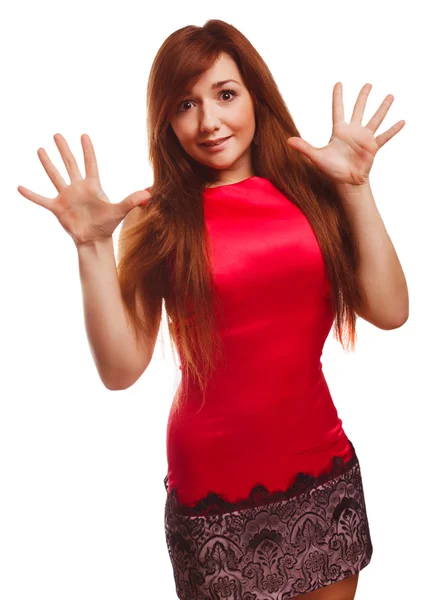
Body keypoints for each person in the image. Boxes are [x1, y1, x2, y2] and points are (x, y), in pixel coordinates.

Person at [18, 18, 408, 600]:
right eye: (185, 104)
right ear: (166, 121)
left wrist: (354, 188)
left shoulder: (314, 190)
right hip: (213, 487)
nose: (208, 122)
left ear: (255, 93)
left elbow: (391, 310)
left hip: (319, 464)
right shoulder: (160, 220)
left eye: (225, 94)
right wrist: (92, 248)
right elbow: (121, 370)